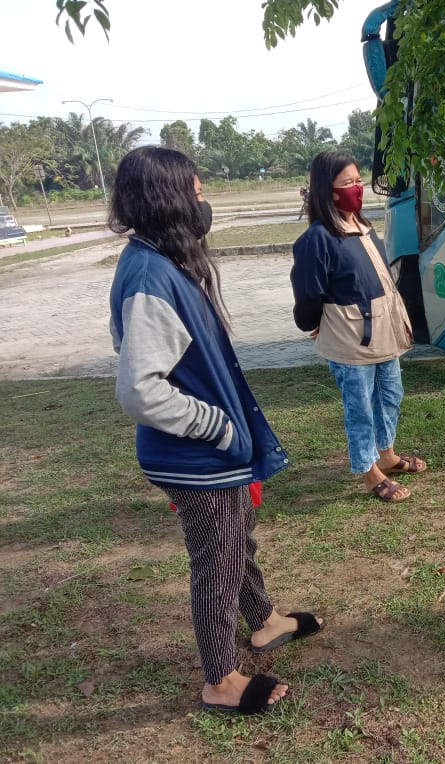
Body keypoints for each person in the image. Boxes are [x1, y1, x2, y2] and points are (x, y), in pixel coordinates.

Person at [108, 146, 324, 715]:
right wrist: (218, 427)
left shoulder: (164, 260)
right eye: (198, 192)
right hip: (194, 457)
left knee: (236, 537)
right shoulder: (151, 275)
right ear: (170, 199)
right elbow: (140, 390)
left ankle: (264, 622)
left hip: (207, 453)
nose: (205, 202)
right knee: (217, 561)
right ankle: (220, 678)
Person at [290, 151, 425, 502]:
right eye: (347, 183)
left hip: (383, 334)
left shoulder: (361, 225)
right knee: (360, 407)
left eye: (358, 180)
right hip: (351, 340)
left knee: (391, 395)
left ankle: (387, 455)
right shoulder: (318, 238)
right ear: (328, 190)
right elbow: (308, 293)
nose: (357, 188)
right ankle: (369, 472)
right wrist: (313, 321)